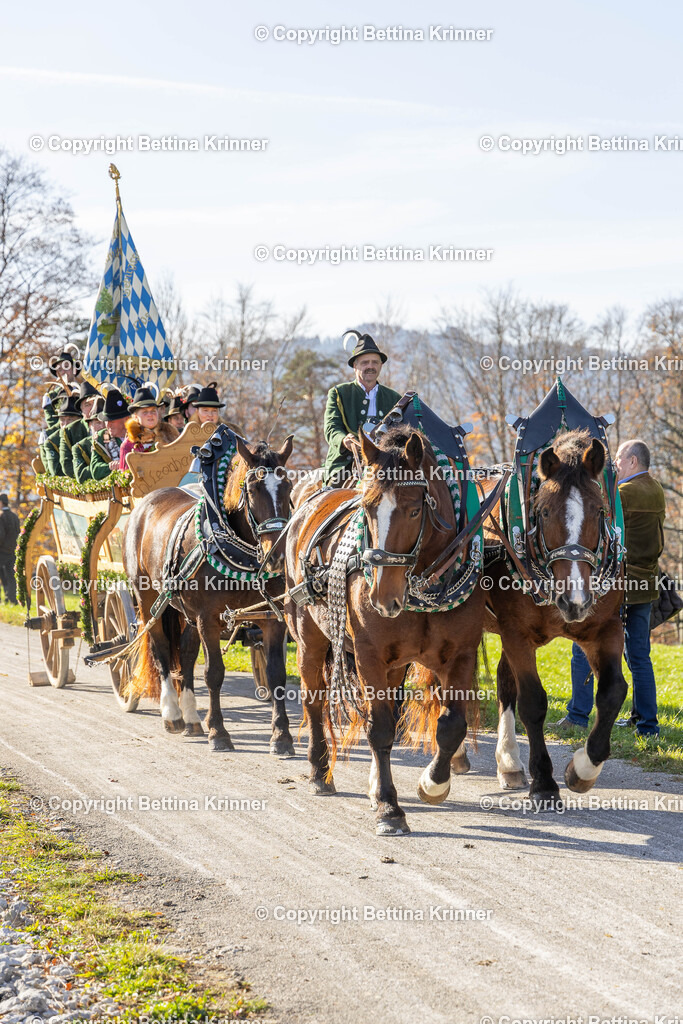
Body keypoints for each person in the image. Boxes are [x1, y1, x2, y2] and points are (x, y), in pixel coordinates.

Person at [556, 439, 666, 738]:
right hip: (645, 585)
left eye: (618, 458)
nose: (613, 464)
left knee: (583, 648)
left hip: (617, 586)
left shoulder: (621, 494)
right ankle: (647, 725)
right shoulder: (656, 490)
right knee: (640, 656)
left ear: (632, 461)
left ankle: (578, 715)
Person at [322, 331, 401, 486]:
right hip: (345, 465)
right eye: (365, 362)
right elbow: (332, 428)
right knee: (332, 497)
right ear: (355, 366)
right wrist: (344, 440)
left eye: (374, 362)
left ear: (381, 365)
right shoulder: (338, 393)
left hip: (386, 465)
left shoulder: (395, 398)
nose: (370, 366)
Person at [118, 384, 179, 470]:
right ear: (135, 416)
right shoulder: (128, 445)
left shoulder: (170, 433)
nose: (150, 415)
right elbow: (126, 477)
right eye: (145, 412)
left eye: (153, 411)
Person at [59, 381, 100, 478]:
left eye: (95, 403)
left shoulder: (109, 425)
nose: (92, 407)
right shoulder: (69, 431)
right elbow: (67, 466)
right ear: (81, 409)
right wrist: (96, 476)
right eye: (87, 405)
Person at [89, 389, 131, 479]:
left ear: (126, 419)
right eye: (106, 421)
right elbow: (95, 470)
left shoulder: (139, 434)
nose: (108, 425)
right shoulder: (101, 437)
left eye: (112, 420)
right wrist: (110, 466)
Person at [39, 393, 81, 476]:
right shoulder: (51, 441)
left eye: (70, 419)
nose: (65, 424)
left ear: (80, 419)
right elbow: (56, 472)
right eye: (62, 420)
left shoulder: (87, 434)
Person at [0, 494, 21, 605]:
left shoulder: (1, 516)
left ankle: (2, 599)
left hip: (2, 551)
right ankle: (12, 599)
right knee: (11, 576)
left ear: (1, 503)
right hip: (12, 551)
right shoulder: (14, 516)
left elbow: (1, 535)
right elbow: (18, 532)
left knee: (4, 575)